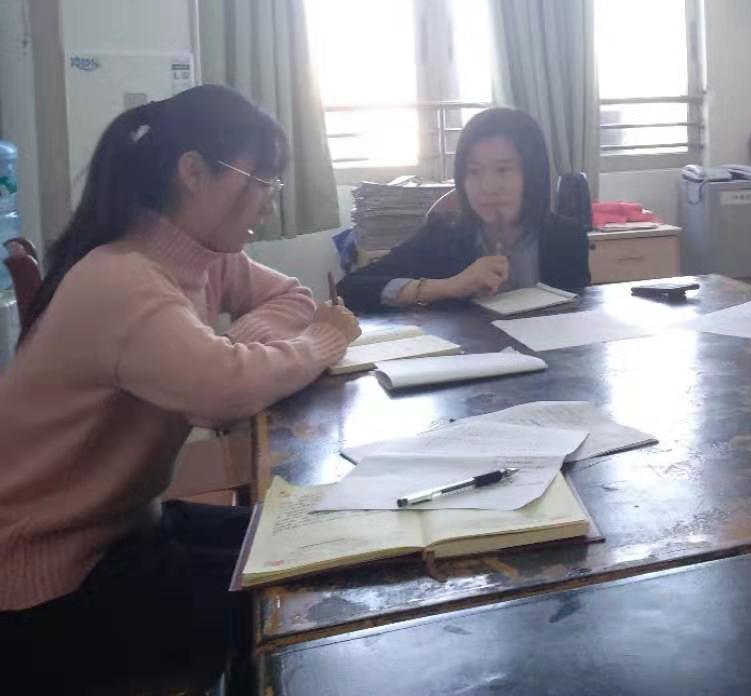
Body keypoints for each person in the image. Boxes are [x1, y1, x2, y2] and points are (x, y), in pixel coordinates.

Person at [0, 85, 361, 690]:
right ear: (193, 172)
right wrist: (318, 344)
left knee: (322, 538)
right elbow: (224, 393)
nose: (268, 202)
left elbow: (290, 297)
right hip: (49, 583)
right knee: (298, 601)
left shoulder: (204, 256)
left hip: (124, 530)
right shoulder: (121, 278)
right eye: (260, 181)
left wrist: (241, 347)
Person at [338, 107, 590, 311]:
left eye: (503, 170)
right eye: (473, 171)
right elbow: (350, 288)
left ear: (533, 175)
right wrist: (448, 286)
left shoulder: (566, 237)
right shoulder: (442, 235)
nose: (488, 187)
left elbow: (576, 318)